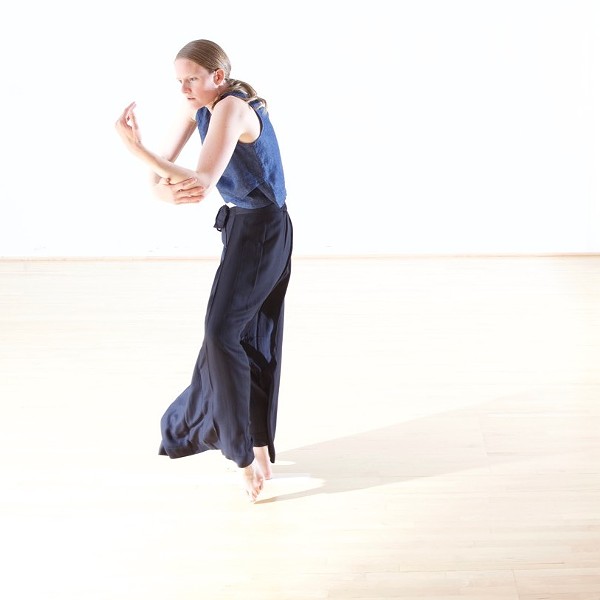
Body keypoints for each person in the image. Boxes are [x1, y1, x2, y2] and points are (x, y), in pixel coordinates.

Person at [115, 39, 293, 502]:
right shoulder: (198, 105)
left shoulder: (232, 107)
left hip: (264, 231)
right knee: (239, 336)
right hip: (242, 229)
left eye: (191, 78)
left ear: (218, 75)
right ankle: (255, 446)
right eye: (179, 80)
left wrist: (137, 150)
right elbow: (163, 177)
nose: (184, 88)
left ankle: (243, 453)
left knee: (223, 335)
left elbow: (201, 180)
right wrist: (160, 189)